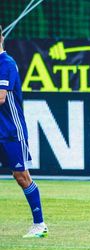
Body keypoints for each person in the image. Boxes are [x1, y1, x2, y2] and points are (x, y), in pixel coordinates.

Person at [0, 26, 47, 238]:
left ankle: (39, 224)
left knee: (21, 176)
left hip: (11, 131)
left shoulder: (6, 64)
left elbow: (1, 97)